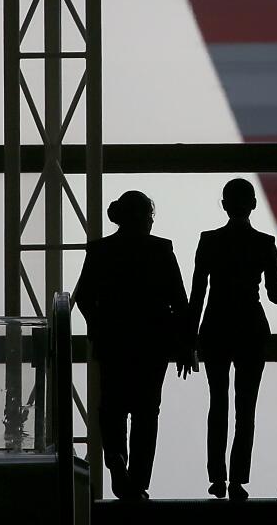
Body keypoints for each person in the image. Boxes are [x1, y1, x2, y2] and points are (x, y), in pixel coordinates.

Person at [73, 191, 192, 501]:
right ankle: (138, 482)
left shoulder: (100, 250)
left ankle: (115, 457)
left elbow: (83, 296)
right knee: (146, 411)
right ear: (143, 217)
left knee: (112, 406)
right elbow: (179, 302)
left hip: (113, 339)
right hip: (154, 342)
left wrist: (98, 325)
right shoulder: (161, 249)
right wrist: (184, 345)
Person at [189, 178, 277, 501]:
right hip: (250, 330)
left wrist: (189, 339)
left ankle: (216, 477)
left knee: (218, 404)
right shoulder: (264, 243)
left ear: (225, 205)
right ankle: (237, 480)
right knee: (246, 409)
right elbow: (275, 296)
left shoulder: (209, 241)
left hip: (215, 328)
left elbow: (198, 295)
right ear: (253, 205)